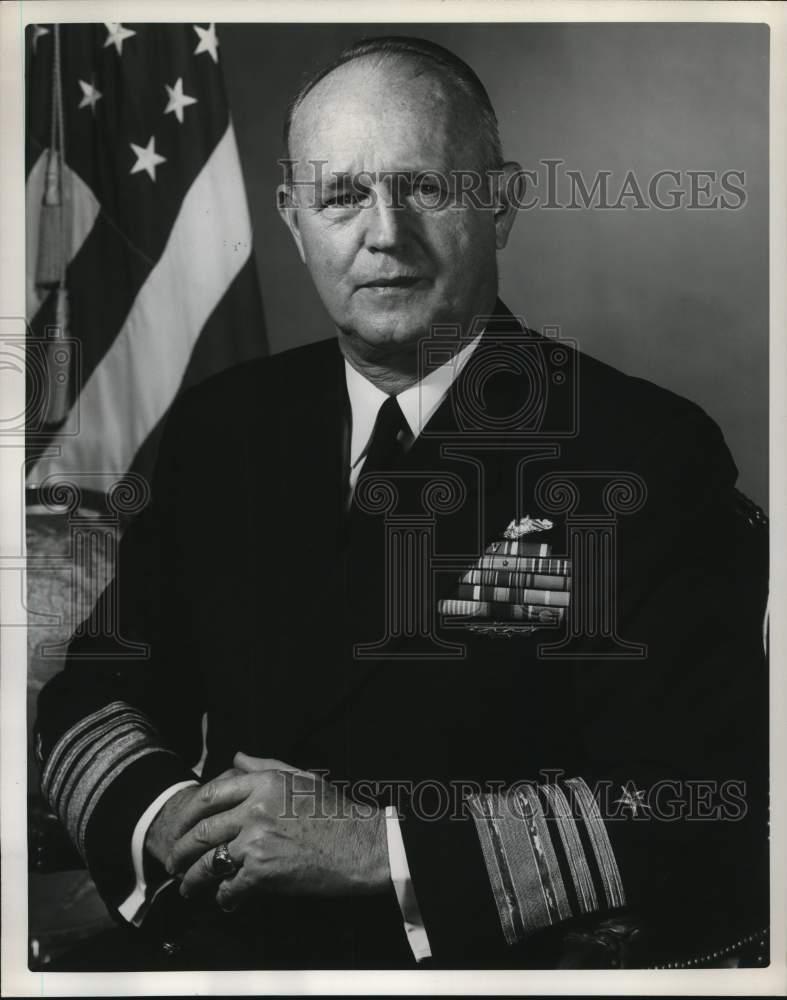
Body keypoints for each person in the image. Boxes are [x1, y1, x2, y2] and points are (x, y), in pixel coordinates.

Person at [35, 36, 769, 971]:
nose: (383, 232)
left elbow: (700, 795)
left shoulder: (642, 450)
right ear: (293, 219)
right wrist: (168, 816)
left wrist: (382, 851)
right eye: (340, 195)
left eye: (424, 186)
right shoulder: (223, 427)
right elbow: (98, 690)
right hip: (224, 948)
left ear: (499, 204)